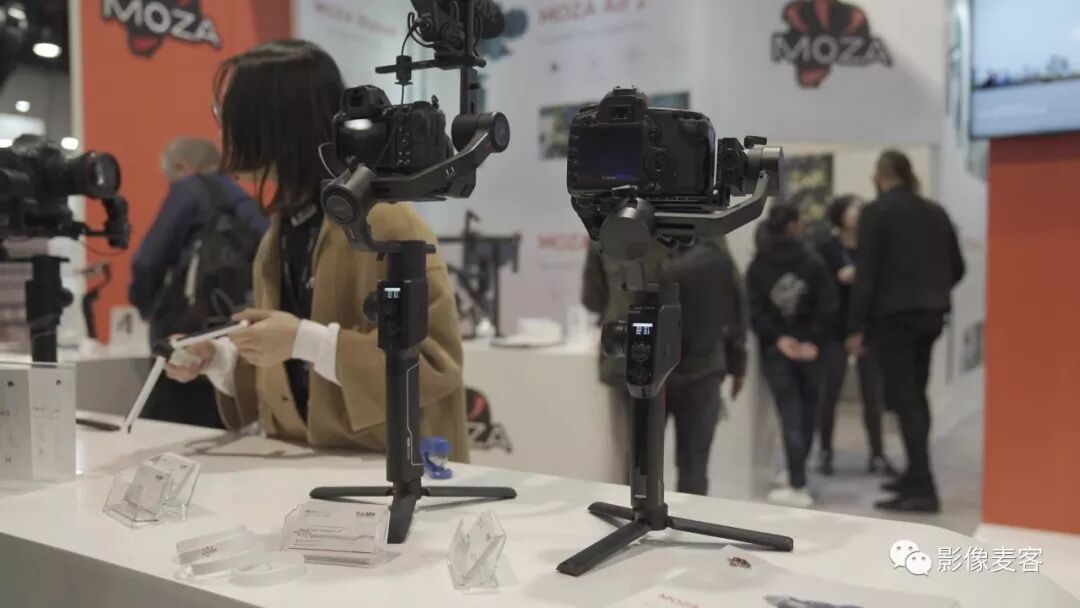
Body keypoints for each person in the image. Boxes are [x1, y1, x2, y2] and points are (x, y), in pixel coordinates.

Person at [164, 40, 470, 461]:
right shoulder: (281, 231)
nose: (224, 131)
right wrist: (219, 358)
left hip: (395, 472)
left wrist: (303, 340)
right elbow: (296, 381)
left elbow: (435, 363)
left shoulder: (385, 222)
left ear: (273, 123)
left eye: (234, 115)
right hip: (313, 472)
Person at [582, 236, 748, 496]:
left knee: (641, 463)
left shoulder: (614, 227)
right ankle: (685, 518)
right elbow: (732, 293)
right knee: (692, 465)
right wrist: (737, 359)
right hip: (698, 363)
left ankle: (638, 516)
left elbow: (593, 298)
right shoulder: (703, 223)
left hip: (640, 361)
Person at [847, 150, 965, 513]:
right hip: (931, 316)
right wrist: (932, 292)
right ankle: (915, 474)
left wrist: (855, 326)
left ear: (881, 175)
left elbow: (867, 274)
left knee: (905, 399)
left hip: (894, 318)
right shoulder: (935, 212)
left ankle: (923, 486)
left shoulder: (876, 212)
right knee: (915, 395)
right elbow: (958, 267)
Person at [129, 137, 269, 428]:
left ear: (182, 167)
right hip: (237, 332)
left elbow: (148, 260)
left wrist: (146, 307)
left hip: (188, 330)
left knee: (170, 426)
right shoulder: (245, 200)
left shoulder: (189, 189)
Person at [747, 204, 837, 508]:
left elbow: (755, 311)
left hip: (778, 350)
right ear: (794, 226)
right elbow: (829, 305)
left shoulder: (759, 264)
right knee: (807, 413)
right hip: (811, 351)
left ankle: (797, 478)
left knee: (790, 415)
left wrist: (779, 338)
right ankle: (799, 478)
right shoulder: (813, 261)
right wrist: (813, 342)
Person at [814, 195, 894, 476]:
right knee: (830, 392)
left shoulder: (872, 249)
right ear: (840, 214)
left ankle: (877, 454)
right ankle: (825, 451)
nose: (858, 213)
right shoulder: (826, 248)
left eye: (860, 208)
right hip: (834, 328)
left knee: (873, 394)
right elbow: (818, 286)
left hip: (867, 329)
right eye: (852, 208)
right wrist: (837, 277)